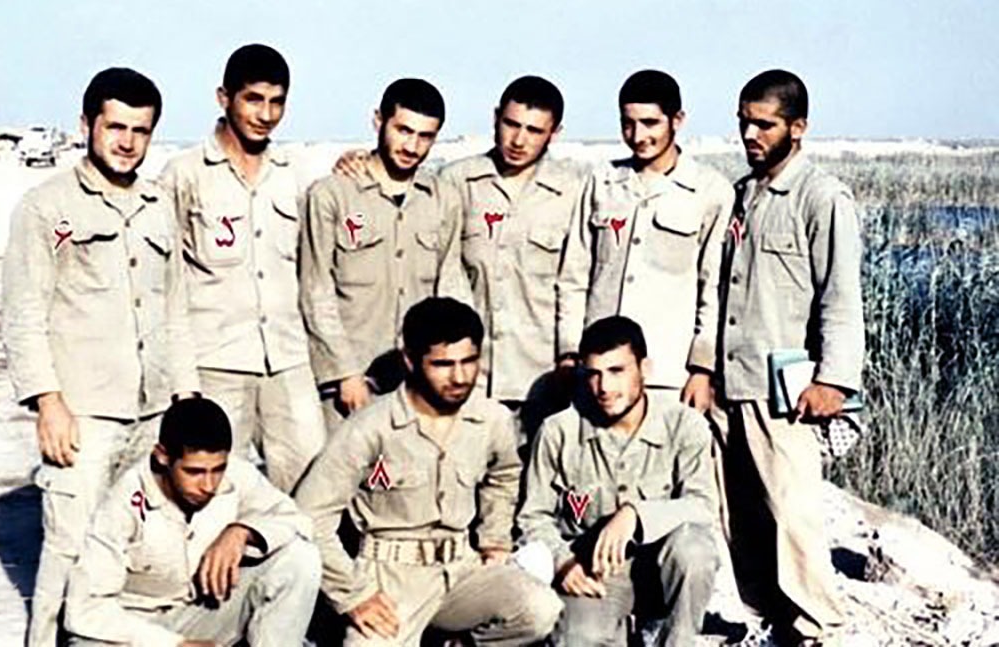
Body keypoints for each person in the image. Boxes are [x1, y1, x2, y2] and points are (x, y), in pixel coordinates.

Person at [1, 67, 200, 647]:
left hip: (152, 411)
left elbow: (176, 309)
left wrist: (185, 396)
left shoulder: (159, 206)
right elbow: (24, 314)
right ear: (86, 124)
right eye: (115, 127)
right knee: (70, 549)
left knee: (133, 551)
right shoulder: (46, 207)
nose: (127, 142)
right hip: (84, 412)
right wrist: (48, 403)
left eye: (141, 130)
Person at [294, 297, 561, 646]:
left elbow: (504, 475)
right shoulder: (370, 428)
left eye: (469, 361)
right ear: (410, 360)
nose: (460, 377)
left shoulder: (491, 419)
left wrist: (494, 540)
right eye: (443, 364)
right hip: (390, 579)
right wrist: (352, 596)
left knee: (538, 609)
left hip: (462, 570)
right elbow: (310, 515)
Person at [715, 69, 864, 646]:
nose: (750, 135)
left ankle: (819, 627)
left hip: (787, 392)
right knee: (744, 516)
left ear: (797, 128)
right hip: (734, 380)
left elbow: (841, 298)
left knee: (793, 516)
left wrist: (833, 382)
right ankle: (774, 623)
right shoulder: (742, 194)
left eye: (765, 124)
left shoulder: (822, 197)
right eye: (744, 122)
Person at [158, 44, 324, 494]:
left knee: (311, 484)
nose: (266, 115)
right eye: (253, 99)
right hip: (215, 362)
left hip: (287, 360)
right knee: (211, 490)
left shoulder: (295, 174)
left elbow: (311, 270)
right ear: (224, 98)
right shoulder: (184, 175)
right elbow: (165, 285)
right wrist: (181, 379)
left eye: (277, 102)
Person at [518, 316, 719, 646]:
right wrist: (561, 561)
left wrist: (635, 514)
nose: (604, 388)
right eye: (594, 374)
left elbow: (703, 507)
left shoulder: (685, 425)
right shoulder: (559, 431)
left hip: (662, 569)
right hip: (597, 573)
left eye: (617, 371)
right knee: (577, 638)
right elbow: (533, 517)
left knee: (694, 550)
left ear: (644, 369)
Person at [64, 397, 321, 647]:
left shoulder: (236, 474)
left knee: (299, 557)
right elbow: (84, 609)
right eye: (194, 472)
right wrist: (173, 644)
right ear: (163, 456)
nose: (208, 485)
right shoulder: (125, 502)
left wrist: (242, 532)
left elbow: (298, 521)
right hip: (136, 632)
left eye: (217, 470)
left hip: (199, 616)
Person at [558, 69, 733, 410]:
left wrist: (701, 368)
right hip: (597, 374)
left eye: (650, 123)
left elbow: (713, 287)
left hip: (668, 375)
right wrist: (569, 352)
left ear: (677, 120)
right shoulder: (601, 182)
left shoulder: (710, 191)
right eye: (628, 124)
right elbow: (574, 276)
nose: (638, 136)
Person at [437, 75, 588, 443]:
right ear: (495, 118)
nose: (519, 141)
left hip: (538, 378)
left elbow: (573, 282)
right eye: (511, 124)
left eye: (534, 130)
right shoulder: (457, 182)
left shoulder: (572, 191)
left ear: (554, 133)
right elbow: (444, 272)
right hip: (468, 376)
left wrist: (569, 356)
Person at [300, 78, 451, 427]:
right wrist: (344, 372)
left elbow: (449, 282)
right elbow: (315, 290)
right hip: (351, 381)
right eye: (403, 130)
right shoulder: (331, 195)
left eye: (425, 136)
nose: (412, 146)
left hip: (418, 379)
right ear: (378, 121)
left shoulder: (443, 198)